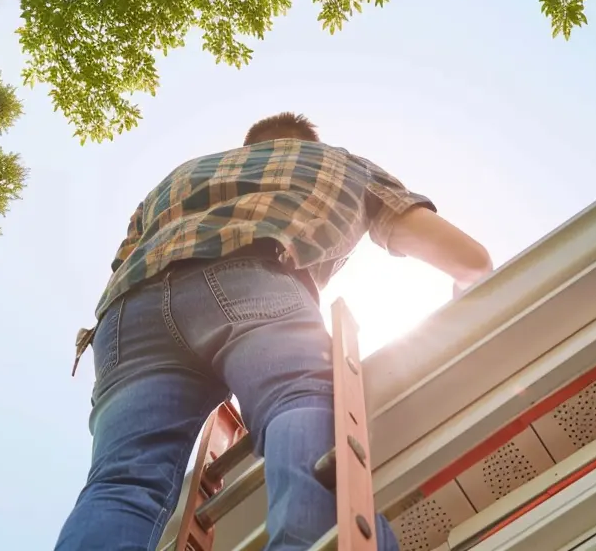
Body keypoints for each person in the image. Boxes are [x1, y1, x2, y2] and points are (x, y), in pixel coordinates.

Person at [55, 113, 494, 551]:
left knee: (120, 483)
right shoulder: (339, 164)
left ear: (248, 147)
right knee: (297, 401)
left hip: (128, 317)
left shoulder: (178, 177)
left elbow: (123, 261)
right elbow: (469, 259)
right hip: (252, 277)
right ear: (307, 141)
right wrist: (468, 289)